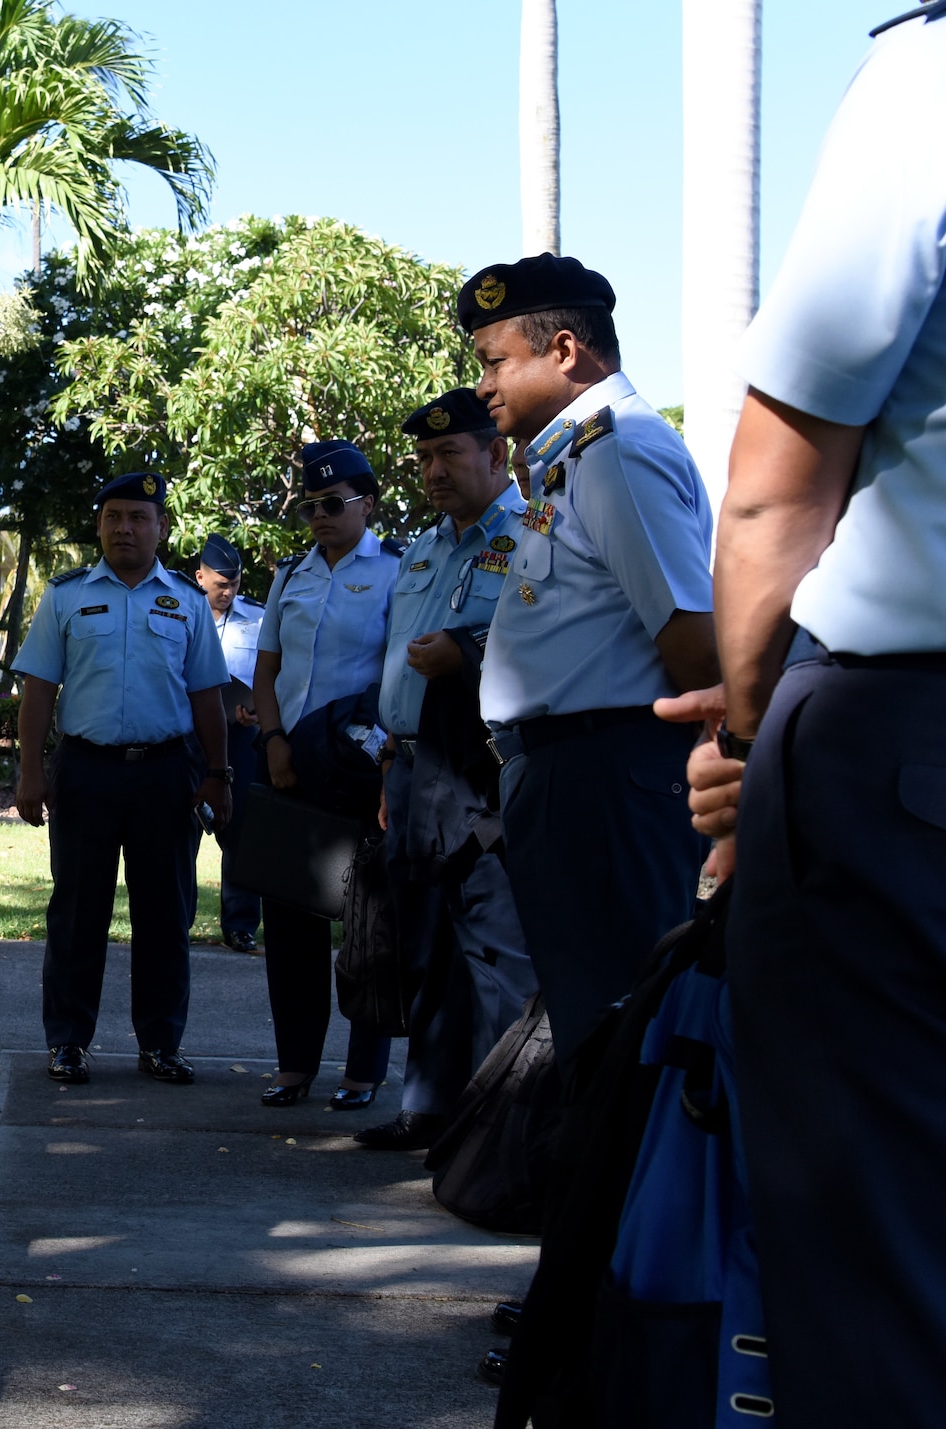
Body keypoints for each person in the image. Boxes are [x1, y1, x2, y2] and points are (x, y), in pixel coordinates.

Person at [662, 9, 946, 1419]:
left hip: (905, 764)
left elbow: (778, 487)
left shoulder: (930, 76)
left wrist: (751, 741)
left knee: (881, 1268)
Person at [461, 253, 717, 1069]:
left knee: (620, 1023)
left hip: (610, 778)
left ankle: (626, 1198)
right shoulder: (572, 457)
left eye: (496, 361)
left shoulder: (617, 453)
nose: (482, 385)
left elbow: (690, 636)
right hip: (571, 776)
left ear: (565, 350)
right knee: (589, 1016)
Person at [357, 389, 537, 1151]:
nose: (432, 469)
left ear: (495, 455)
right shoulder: (424, 547)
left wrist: (465, 653)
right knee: (423, 941)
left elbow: (548, 646)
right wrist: (390, 768)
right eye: (424, 458)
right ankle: (429, 1107)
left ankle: (507, 1124)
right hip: (411, 766)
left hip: (486, 766)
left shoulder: (536, 535)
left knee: (495, 947)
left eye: (448, 453)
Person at [13, 472, 233, 1086]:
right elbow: (38, 691)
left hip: (167, 774)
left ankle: (161, 1044)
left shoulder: (188, 604)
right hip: (85, 772)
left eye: (138, 517)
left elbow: (208, 699)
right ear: (100, 525)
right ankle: (68, 1042)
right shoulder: (65, 596)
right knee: (77, 911)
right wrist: (32, 772)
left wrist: (218, 775)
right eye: (113, 517)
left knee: (166, 915)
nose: (125, 528)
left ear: (161, 527)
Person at [250, 440, 398, 1111]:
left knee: (369, 923)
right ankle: (294, 1063)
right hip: (290, 768)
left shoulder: (398, 569)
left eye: (333, 503)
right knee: (289, 921)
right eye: (310, 504)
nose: (320, 515)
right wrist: (274, 739)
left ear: (366, 503)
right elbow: (266, 670)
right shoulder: (291, 575)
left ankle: (364, 1070)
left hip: (360, 769)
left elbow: (396, 675)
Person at [192, 533, 264, 953]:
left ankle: (240, 925)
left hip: (239, 737)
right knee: (179, 830)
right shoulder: (178, 613)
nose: (228, 591)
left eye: (234, 584)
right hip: (185, 738)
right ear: (199, 576)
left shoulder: (257, 616)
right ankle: (175, 920)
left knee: (239, 830)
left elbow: (269, 673)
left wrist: (255, 708)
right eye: (220, 584)